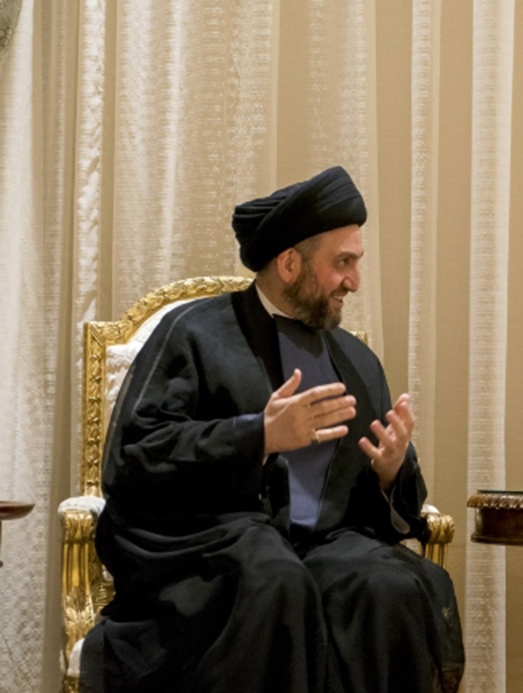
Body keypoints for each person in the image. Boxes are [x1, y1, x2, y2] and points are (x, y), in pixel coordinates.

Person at [82, 167, 464, 693]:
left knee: (390, 586)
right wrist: (257, 435)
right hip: (209, 539)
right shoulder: (193, 332)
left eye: (356, 262)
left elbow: (377, 510)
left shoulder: (356, 360)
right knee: (275, 580)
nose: (354, 281)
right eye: (343, 262)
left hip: (326, 545)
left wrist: (391, 471)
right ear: (289, 263)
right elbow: (135, 456)